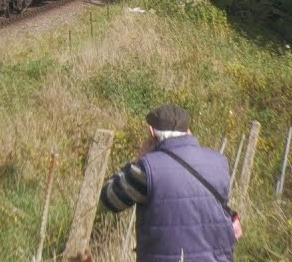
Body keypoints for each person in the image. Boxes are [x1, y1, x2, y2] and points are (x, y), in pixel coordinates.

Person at [100, 104, 238, 262]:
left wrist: (138, 160)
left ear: (152, 132)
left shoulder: (146, 169)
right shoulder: (220, 163)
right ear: (188, 131)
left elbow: (108, 198)